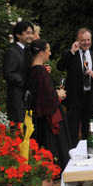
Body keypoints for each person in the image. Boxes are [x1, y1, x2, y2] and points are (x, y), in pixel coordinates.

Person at [25, 39, 70, 171]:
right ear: (41, 52)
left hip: (40, 118)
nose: (50, 53)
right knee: (55, 149)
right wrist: (58, 94)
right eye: (48, 50)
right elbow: (45, 97)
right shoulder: (40, 72)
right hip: (49, 118)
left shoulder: (32, 71)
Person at [57, 27, 93, 147]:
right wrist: (72, 51)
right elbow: (60, 67)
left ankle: (89, 150)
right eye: (83, 40)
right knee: (72, 129)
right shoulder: (70, 54)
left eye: (88, 40)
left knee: (89, 129)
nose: (86, 43)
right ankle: (72, 151)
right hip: (74, 99)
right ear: (77, 41)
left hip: (91, 98)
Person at [3, 20, 35, 124]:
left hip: (30, 97)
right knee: (19, 127)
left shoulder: (29, 51)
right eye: (27, 33)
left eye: (32, 33)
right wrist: (26, 83)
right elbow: (9, 73)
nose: (30, 36)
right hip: (17, 97)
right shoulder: (12, 52)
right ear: (18, 34)